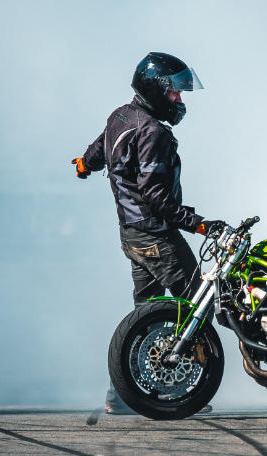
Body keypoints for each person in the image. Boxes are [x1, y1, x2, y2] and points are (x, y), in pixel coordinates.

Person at [73, 52, 227, 414]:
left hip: (131, 235)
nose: (180, 99)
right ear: (155, 89)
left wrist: (83, 165)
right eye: (174, 92)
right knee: (197, 307)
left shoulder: (122, 116)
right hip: (157, 236)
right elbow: (155, 196)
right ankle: (180, 389)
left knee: (145, 313)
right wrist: (200, 225)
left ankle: (123, 394)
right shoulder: (153, 131)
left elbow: (98, 149)